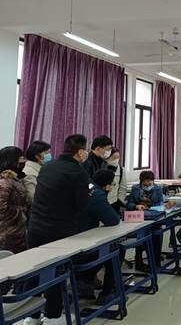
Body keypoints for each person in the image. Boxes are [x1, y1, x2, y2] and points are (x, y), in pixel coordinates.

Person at [26, 134, 90, 325]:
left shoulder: (47, 166)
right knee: (56, 272)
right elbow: (82, 205)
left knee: (34, 270)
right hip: (59, 231)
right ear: (80, 152)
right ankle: (52, 316)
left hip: (35, 227)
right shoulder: (78, 172)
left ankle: (31, 316)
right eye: (85, 149)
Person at [76, 169, 122, 305]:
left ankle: (85, 280)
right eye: (112, 184)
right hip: (84, 242)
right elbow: (112, 220)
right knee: (117, 249)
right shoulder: (97, 194)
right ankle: (106, 293)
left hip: (72, 236)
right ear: (107, 184)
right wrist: (105, 193)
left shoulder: (88, 186)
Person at [126, 171, 164, 271]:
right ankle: (139, 262)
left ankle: (155, 262)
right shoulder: (135, 189)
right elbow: (129, 204)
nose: (147, 184)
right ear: (141, 181)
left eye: (150, 182)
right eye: (145, 182)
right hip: (140, 218)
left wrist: (152, 207)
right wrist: (136, 206)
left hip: (154, 217)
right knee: (142, 236)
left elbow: (161, 203)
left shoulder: (157, 188)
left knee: (157, 235)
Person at [0, 146, 29, 254]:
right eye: (21, 157)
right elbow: (1, 209)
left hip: (15, 231)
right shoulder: (4, 181)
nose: (24, 160)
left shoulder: (15, 178)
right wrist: (21, 211)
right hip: (7, 233)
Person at [106, 148, 127, 213]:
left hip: (115, 202)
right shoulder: (102, 167)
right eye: (114, 158)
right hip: (102, 201)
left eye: (118, 157)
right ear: (107, 157)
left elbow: (123, 188)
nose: (116, 160)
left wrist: (119, 201)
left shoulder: (121, 170)